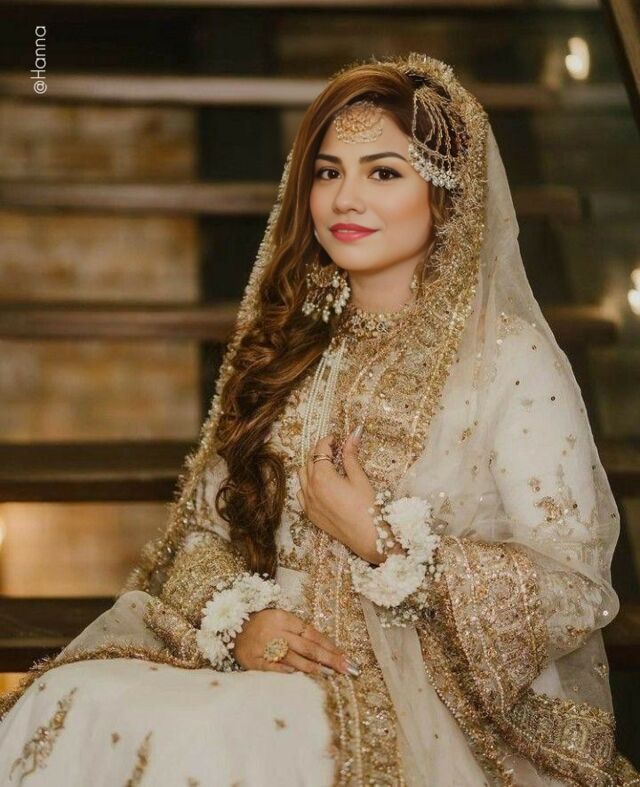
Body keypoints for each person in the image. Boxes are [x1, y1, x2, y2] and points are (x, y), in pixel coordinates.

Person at [0, 52, 637, 786]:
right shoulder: (290, 343)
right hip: (264, 668)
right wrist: (242, 623)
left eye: (384, 173)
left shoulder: (508, 359)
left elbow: (575, 586)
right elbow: (203, 535)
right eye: (328, 172)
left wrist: (384, 540)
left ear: (446, 195)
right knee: (75, 698)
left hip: (426, 701)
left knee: (196, 740)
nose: (345, 199)